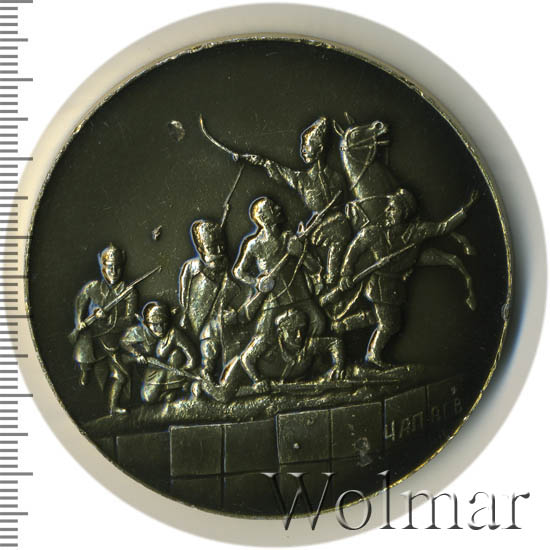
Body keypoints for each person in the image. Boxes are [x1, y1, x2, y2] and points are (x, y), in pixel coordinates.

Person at [338, 187, 479, 367]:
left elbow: (442, 228)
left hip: (396, 284)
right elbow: (354, 249)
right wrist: (346, 273)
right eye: (388, 207)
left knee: (387, 321)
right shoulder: (374, 232)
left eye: (393, 208)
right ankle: (373, 355)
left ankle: (345, 325)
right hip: (380, 284)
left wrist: (466, 209)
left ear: (404, 212)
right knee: (389, 325)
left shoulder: (416, 232)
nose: (388, 211)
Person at [242, 116, 351, 285]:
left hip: (338, 227)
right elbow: (283, 172)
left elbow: (346, 204)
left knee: (341, 225)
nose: (303, 150)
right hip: (314, 230)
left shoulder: (337, 178)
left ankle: (333, 276)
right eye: (303, 145)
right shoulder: (303, 180)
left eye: (307, 145)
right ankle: (319, 279)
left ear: (320, 148)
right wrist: (263, 162)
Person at [202, 308, 344, 402]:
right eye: (293, 331)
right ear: (281, 331)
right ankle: (203, 382)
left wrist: (338, 365)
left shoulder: (307, 345)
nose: (299, 336)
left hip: (278, 380)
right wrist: (257, 380)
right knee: (223, 396)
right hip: (243, 370)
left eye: (302, 329)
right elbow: (246, 358)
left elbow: (334, 343)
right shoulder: (266, 340)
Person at [233, 196, 325, 339]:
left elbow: (316, 269)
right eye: (272, 207)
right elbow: (239, 271)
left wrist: (301, 252)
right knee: (263, 337)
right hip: (274, 302)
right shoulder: (255, 245)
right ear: (264, 218)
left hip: (301, 297)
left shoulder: (290, 238)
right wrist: (256, 282)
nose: (278, 208)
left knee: (319, 325)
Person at [72, 243, 137, 414]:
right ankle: (85, 370)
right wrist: (80, 320)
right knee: (85, 346)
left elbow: (129, 319)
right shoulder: (94, 287)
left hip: (113, 341)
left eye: (117, 267)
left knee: (121, 376)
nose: (113, 271)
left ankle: (113, 407)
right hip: (93, 337)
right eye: (109, 267)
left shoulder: (128, 292)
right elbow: (81, 299)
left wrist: (108, 318)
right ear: (103, 268)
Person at [179, 219, 245, 382]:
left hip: (227, 320)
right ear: (201, 250)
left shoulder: (233, 271)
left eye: (221, 245)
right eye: (212, 247)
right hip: (202, 322)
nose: (219, 251)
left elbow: (243, 292)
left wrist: (236, 312)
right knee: (210, 341)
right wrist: (185, 313)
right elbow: (184, 294)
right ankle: (207, 370)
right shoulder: (192, 268)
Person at [120, 301, 198, 403]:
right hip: (153, 369)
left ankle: (178, 386)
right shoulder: (138, 331)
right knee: (148, 398)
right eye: (155, 324)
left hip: (173, 367)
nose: (160, 328)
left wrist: (184, 370)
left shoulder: (173, 333)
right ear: (147, 323)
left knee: (176, 355)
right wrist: (136, 354)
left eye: (163, 323)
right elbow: (123, 342)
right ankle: (167, 392)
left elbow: (192, 356)